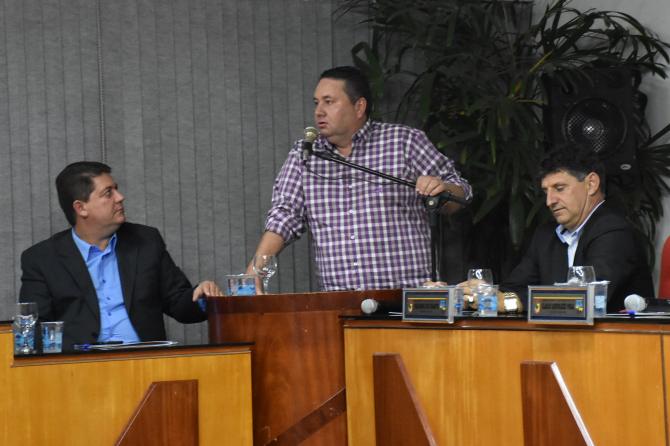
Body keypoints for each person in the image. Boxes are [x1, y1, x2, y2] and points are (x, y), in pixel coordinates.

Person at [247, 66, 472, 291]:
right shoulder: (306, 154)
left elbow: (462, 193)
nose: (319, 111)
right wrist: (253, 275)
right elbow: (284, 217)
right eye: (316, 103)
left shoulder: (404, 142)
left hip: (406, 298)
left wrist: (440, 188)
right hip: (340, 303)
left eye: (329, 102)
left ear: (359, 107)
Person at [19, 161, 222, 350]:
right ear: (81, 208)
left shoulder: (145, 241)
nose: (120, 197)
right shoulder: (42, 259)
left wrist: (202, 298)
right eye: (108, 193)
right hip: (80, 366)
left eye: (116, 189)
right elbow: (34, 328)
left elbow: (177, 302)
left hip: (144, 361)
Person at [493, 146, 654, 312]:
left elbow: (585, 300)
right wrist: (484, 293)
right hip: (556, 328)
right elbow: (511, 290)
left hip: (615, 330)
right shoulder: (546, 235)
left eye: (559, 188)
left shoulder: (614, 230)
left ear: (591, 184)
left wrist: (513, 303)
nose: (549, 201)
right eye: (546, 192)